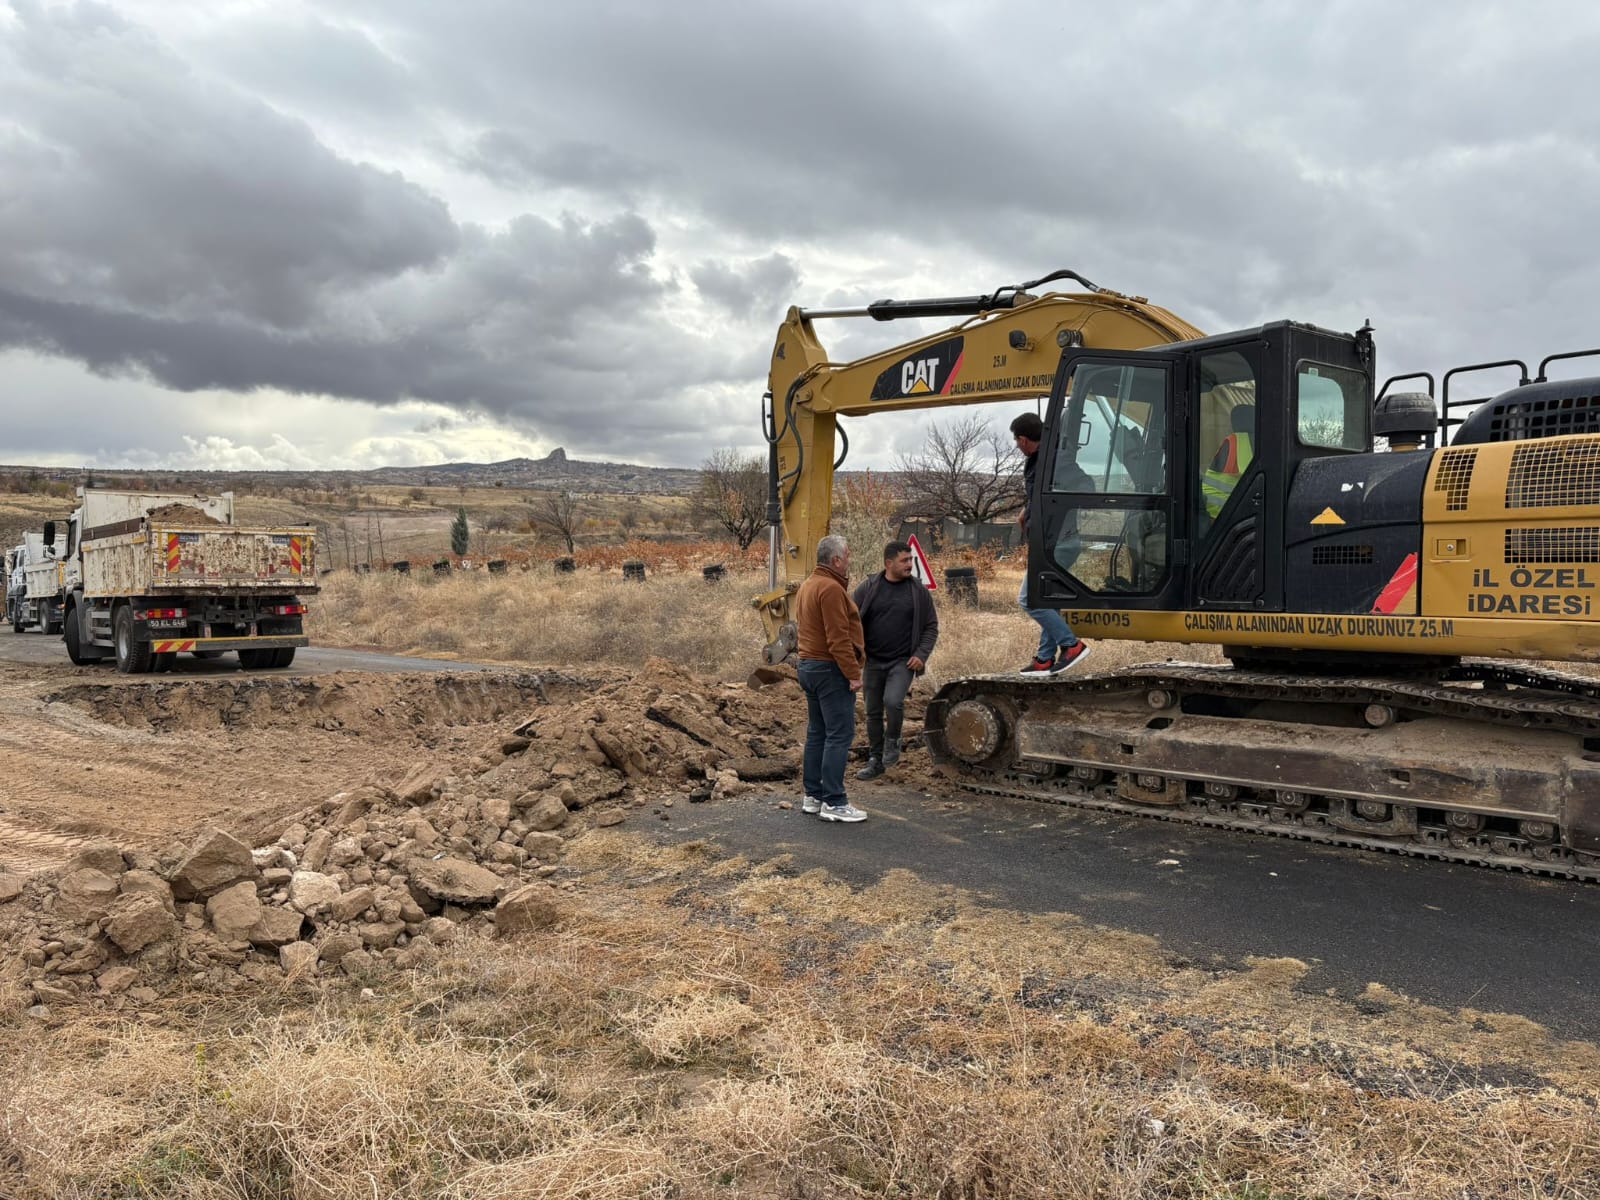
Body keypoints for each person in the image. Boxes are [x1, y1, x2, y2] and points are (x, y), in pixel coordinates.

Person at [1010, 411, 1091, 675]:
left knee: (1030, 600)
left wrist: (1055, 511)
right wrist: (1028, 511)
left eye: (1016, 441)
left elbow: (1086, 486)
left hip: (1060, 544)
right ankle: (1045, 659)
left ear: (1023, 440)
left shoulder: (1056, 459)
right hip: (1049, 542)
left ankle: (1072, 645)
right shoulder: (1040, 461)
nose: (1017, 445)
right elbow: (1041, 495)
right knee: (1048, 601)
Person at [795, 534, 868, 823]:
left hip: (809, 666)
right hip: (829, 670)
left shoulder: (808, 585)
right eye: (847, 555)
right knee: (839, 734)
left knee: (818, 732)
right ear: (836, 560)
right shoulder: (831, 589)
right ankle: (835, 802)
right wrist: (853, 674)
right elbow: (838, 638)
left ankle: (813, 796)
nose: (849, 560)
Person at [852, 541, 938, 781]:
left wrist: (921, 655)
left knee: (893, 701)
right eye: (904, 560)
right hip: (873, 662)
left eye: (911, 560)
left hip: (902, 662)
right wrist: (854, 653)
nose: (910, 564)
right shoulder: (868, 588)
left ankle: (893, 741)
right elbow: (850, 620)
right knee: (872, 712)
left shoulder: (918, 591)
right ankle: (875, 759)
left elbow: (931, 626)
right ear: (889, 563)